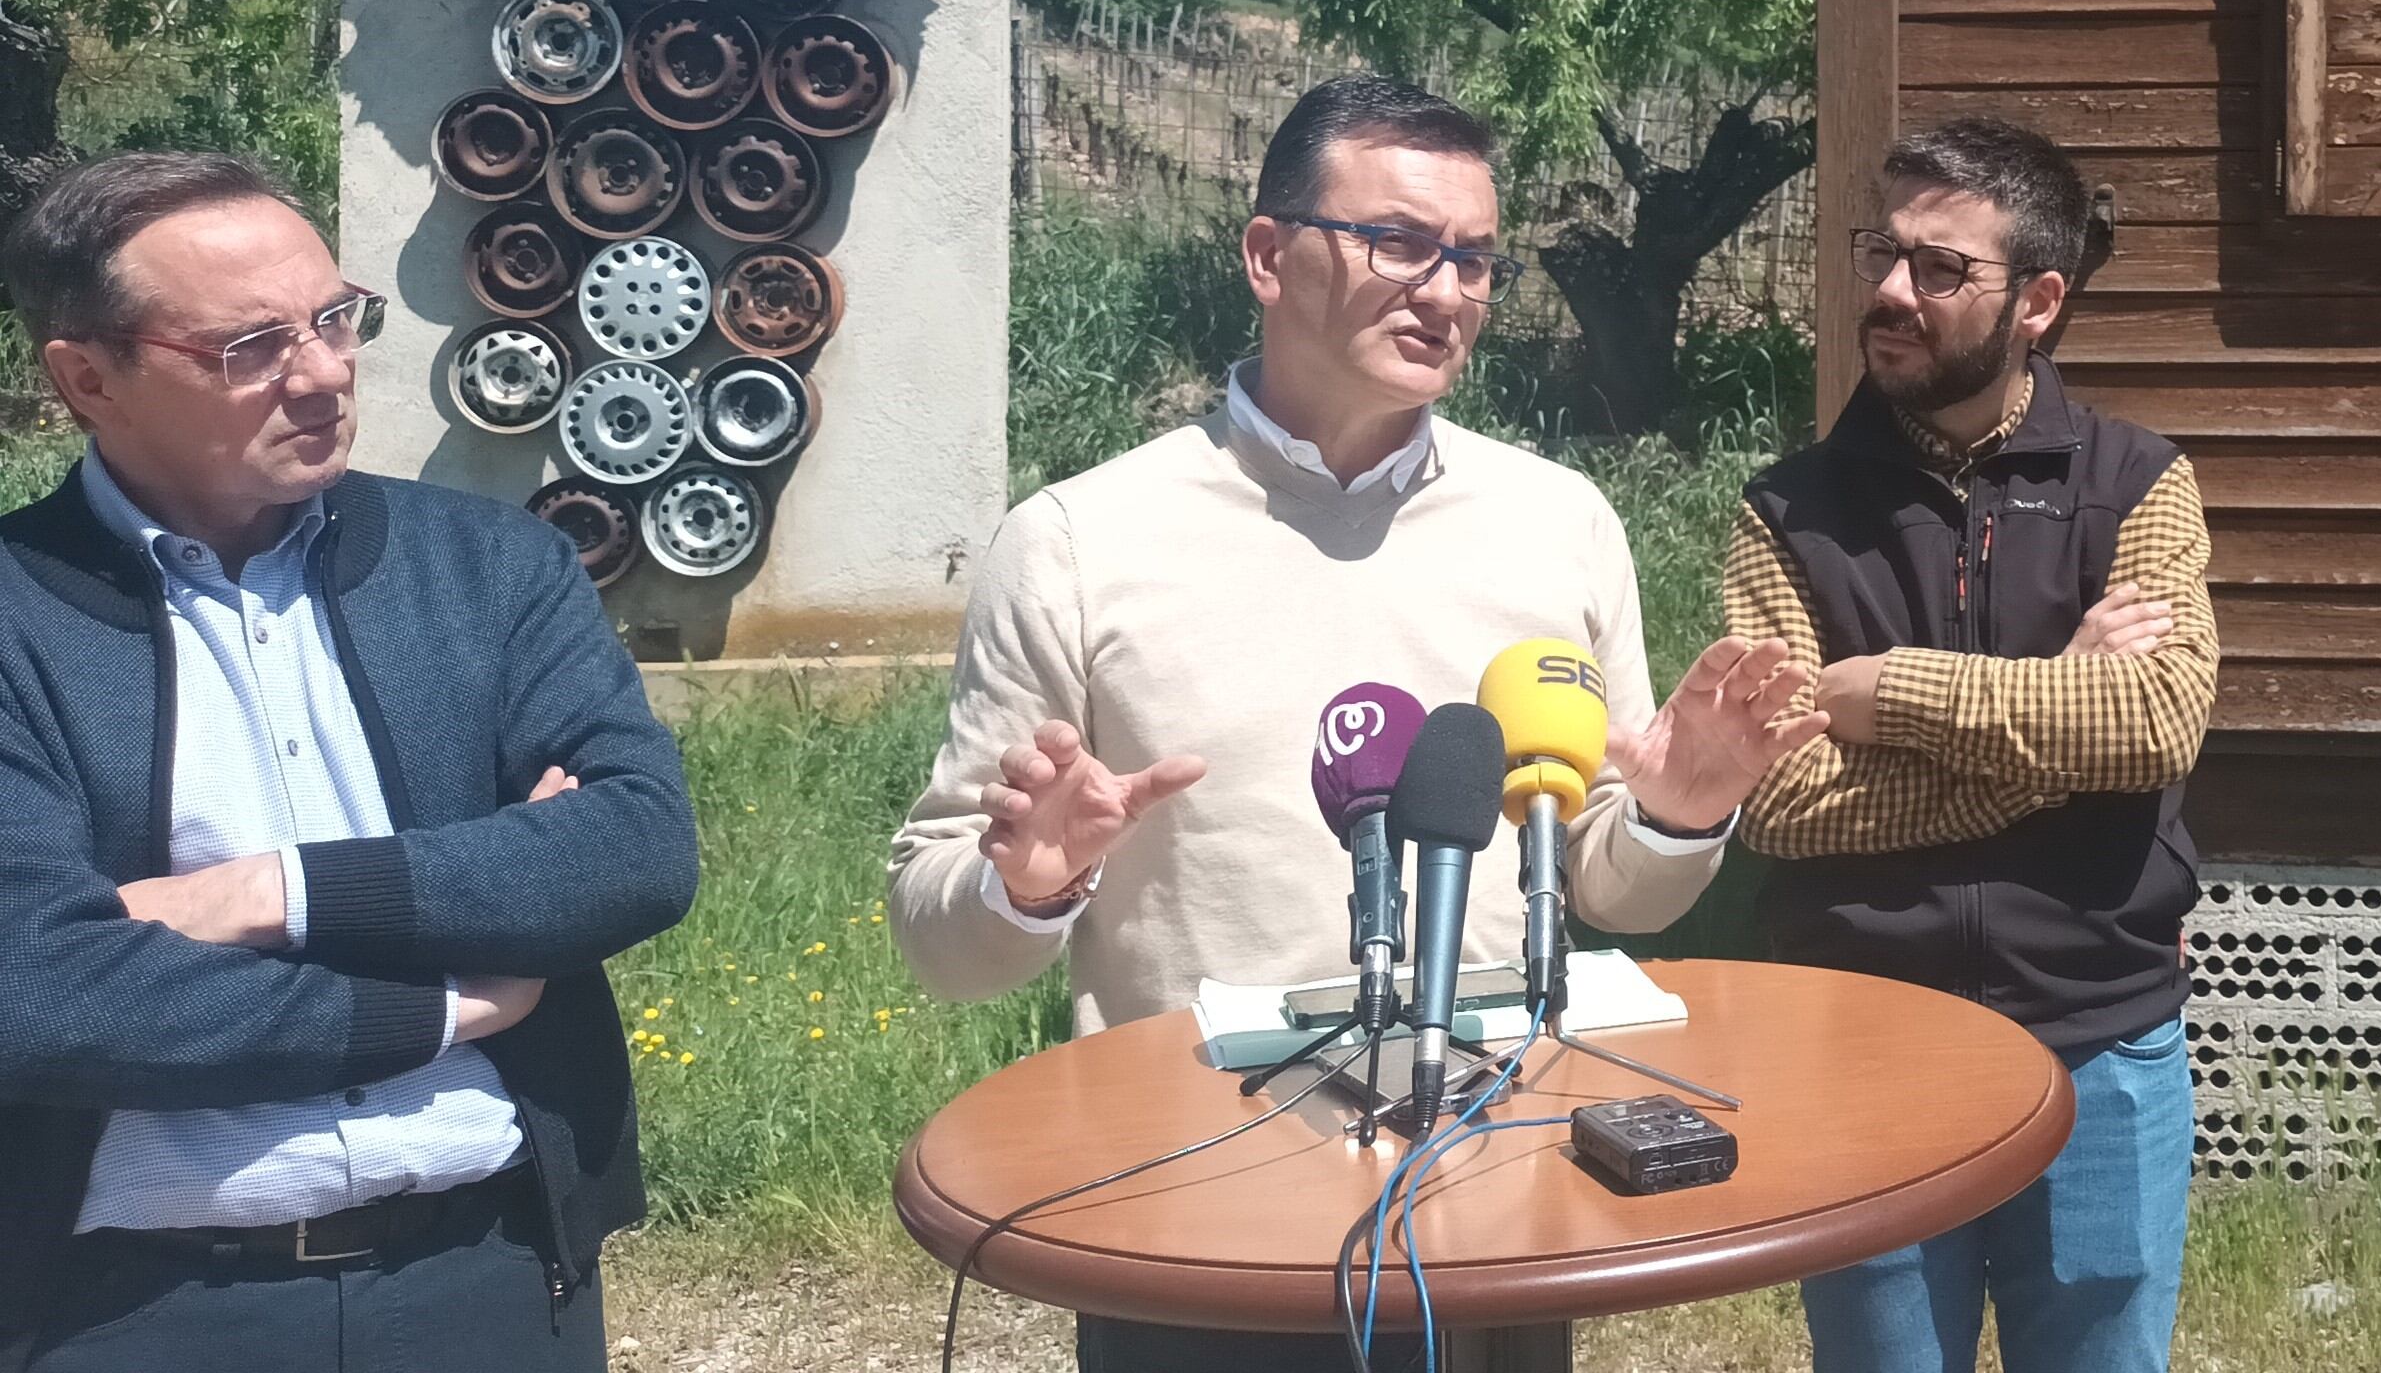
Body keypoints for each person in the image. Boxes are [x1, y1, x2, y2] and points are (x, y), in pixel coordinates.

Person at [888, 74, 1825, 1373]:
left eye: (1476, 260)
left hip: (1498, 1189)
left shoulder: (1559, 524)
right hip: (1192, 1213)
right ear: (1269, 256)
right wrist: (1029, 889)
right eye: (1399, 242)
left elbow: (1614, 893)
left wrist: (1678, 810)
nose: (1447, 293)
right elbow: (940, 943)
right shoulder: (1076, 544)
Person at [0, 151, 699, 1370]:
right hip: (131, 1312)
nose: (324, 371)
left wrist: (266, 893)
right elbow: (40, 992)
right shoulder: (16, 617)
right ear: (88, 378)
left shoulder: (492, 568)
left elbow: (633, 848)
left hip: (488, 1280)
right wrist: (439, 1006)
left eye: (335, 318)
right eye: (250, 346)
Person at [1725, 116, 2215, 1373]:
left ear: (2038, 302)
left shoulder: (2138, 483)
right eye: (1884, 254)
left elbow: (2158, 720)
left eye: (1941, 268)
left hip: (2101, 1047)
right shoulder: (1785, 512)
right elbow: (1777, 796)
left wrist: (1890, 695)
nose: (1893, 290)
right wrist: (2057, 715)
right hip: (1864, 1044)